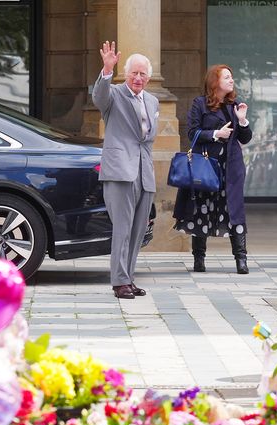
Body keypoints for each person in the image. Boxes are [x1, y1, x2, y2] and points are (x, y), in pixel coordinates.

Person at [92, 41, 158, 300]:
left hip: (144, 172)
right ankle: (119, 281)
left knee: (138, 229)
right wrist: (107, 69)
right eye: (133, 73)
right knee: (122, 227)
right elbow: (99, 97)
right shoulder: (114, 95)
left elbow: (147, 138)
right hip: (120, 171)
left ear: (149, 78)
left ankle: (128, 278)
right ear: (126, 74)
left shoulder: (152, 101)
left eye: (142, 74)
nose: (138, 78)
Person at [173, 64, 253, 275]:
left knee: (234, 210)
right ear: (214, 81)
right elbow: (192, 133)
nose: (231, 80)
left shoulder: (234, 105)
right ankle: (199, 258)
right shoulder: (200, 104)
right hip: (206, 164)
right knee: (201, 208)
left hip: (231, 166)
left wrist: (243, 120)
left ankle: (241, 259)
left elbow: (245, 138)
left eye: (231, 76)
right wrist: (216, 133)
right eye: (227, 77)